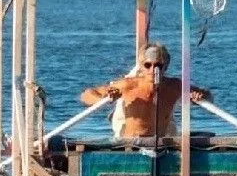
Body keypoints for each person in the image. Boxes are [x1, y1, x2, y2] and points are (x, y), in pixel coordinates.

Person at [79, 43, 211, 138]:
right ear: (141, 67)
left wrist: (199, 96)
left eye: (158, 65)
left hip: (160, 145)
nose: (153, 70)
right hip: (131, 144)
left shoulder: (175, 86)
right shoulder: (128, 85)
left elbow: (208, 96)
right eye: (148, 65)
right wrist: (103, 99)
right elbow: (86, 95)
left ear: (166, 67)